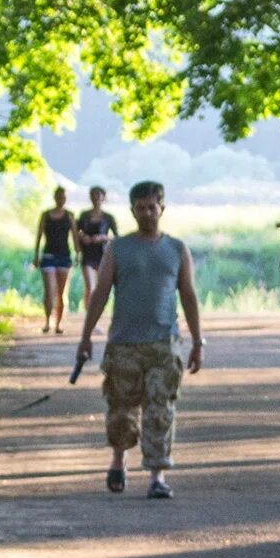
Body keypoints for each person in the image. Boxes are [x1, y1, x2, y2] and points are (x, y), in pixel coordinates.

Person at [74, 181, 204, 498]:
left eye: (152, 207)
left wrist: (198, 341)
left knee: (161, 408)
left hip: (164, 342)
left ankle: (157, 476)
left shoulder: (176, 249)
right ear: (132, 210)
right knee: (121, 409)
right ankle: (119, 460)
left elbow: (188, 295)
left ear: (162, 208)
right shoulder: (118, 249)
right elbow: (101, 293)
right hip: (124, 344)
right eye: (141, 207)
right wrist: (86, 336)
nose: (147, 213)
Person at [32, 187, 79, 333]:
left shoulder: (69, 216)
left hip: (64, 256)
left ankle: (58, 324)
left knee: (61, 292)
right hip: (48, 256)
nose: (61, 199)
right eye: (59, 196)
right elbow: (39, 235)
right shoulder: (46, 215)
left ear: (65, 198)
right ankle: (47, 321)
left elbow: (75, 236)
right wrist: (36, 255)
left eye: (63, 197)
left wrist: (78, 253)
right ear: (55, 197)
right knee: (49, 291)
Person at [73, 185, 119, 312]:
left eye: (99, 195)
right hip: (87, 255)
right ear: (90, 197)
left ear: (104, 198)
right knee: (90, 287)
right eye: (94, 194)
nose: (97, 197)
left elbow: (117, 238)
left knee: (101, 288)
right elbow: (75, 232)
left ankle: (97, 314)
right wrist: (83, 238)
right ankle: (90, 316)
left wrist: (103, 237)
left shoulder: (109, 217)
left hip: (103, 255)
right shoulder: (84, 215)